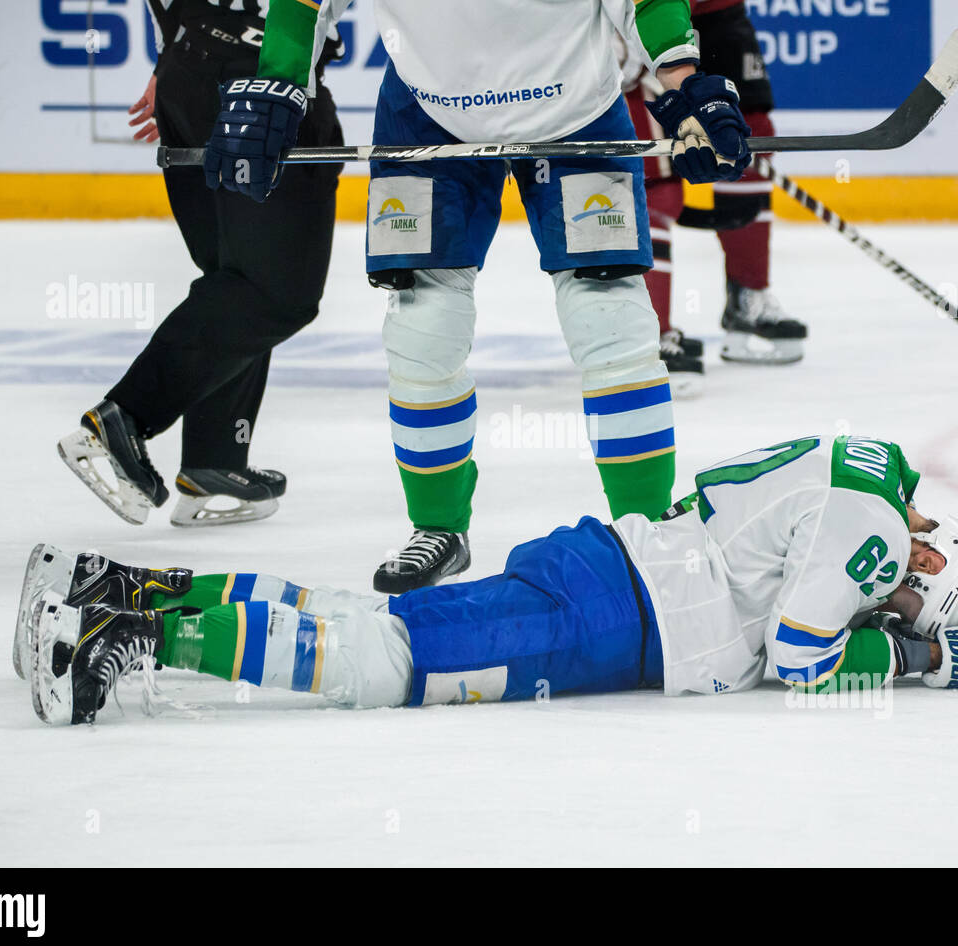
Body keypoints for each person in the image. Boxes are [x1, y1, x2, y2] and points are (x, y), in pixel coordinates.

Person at [201, 0, 755, 593]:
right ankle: (437, 526)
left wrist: (685, 82)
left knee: (611, 320)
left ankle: (649, 528)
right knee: (423, 328)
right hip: (426, 110)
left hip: (576, 113)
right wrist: (278, 82)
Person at [18, 434, 958, 725]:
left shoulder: (864, 471)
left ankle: (127, 590)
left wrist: (926, 639)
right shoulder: (875, 531)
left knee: (388, 626)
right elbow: (802, 659)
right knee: (387, 662)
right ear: (929, 561)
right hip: (615, 616)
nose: (884, 602)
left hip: (613, 579)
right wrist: (935, 660)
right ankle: (125, 633)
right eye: (902, 597)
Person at [56, 0, 344, 527]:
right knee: (276, 292)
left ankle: (215, 458)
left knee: (235, 278)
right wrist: (277, 82)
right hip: (265, 81)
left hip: (190, 77)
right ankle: (125, 420)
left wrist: (171, 60)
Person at [622, 0, 807, 391]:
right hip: (636, 8)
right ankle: (649, 334)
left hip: (715, 8)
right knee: (651, 164)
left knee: (748, 134)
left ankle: (749, 299)